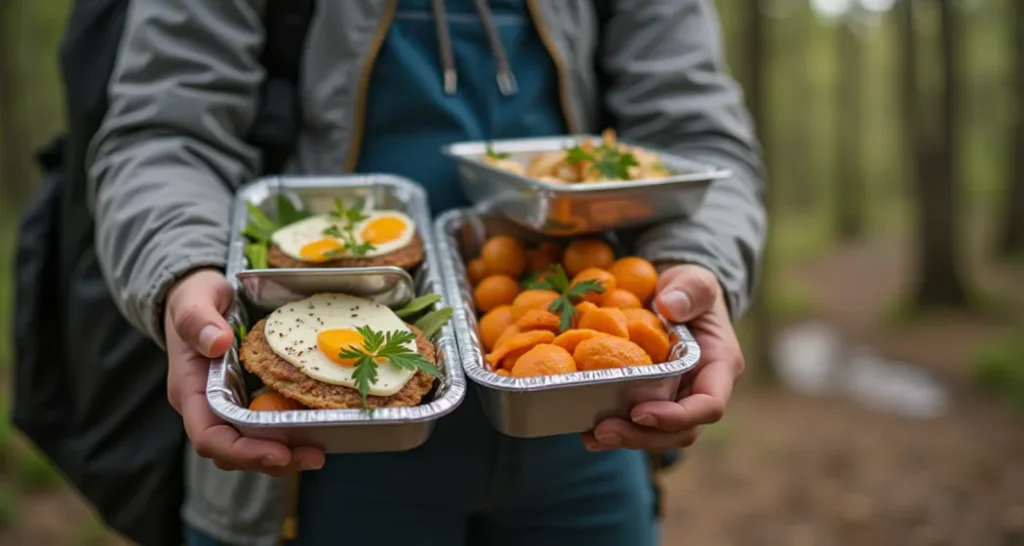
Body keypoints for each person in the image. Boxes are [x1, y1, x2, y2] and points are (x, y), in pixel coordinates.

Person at [86, 0, 765, 544]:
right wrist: (182, 270)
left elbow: (698, 137)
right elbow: (164, 133)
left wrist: (696, 262)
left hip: (586, 415)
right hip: (315, 449)